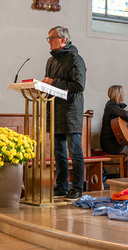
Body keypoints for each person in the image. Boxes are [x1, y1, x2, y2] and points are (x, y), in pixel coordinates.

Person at [42, 26, 86, 201]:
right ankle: (60, 187)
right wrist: (43, 86)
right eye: (49, 38)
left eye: (52, 38)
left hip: (70, 111)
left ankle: (76, 188)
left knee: (74, 151)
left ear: (63, 40)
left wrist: (54, 82)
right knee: (58, 152)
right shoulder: (50, 61)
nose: (49, 41)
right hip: (54, 109)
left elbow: (79, 86)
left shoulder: (76, 59)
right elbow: (49, 83)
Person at [100, 85, 128, 156]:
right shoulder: (111, 106)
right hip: (111, 145)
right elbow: (125, 114)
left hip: (117, 142)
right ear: (118, 95)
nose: (124, 95)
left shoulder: (114, 106)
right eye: (123, 93)